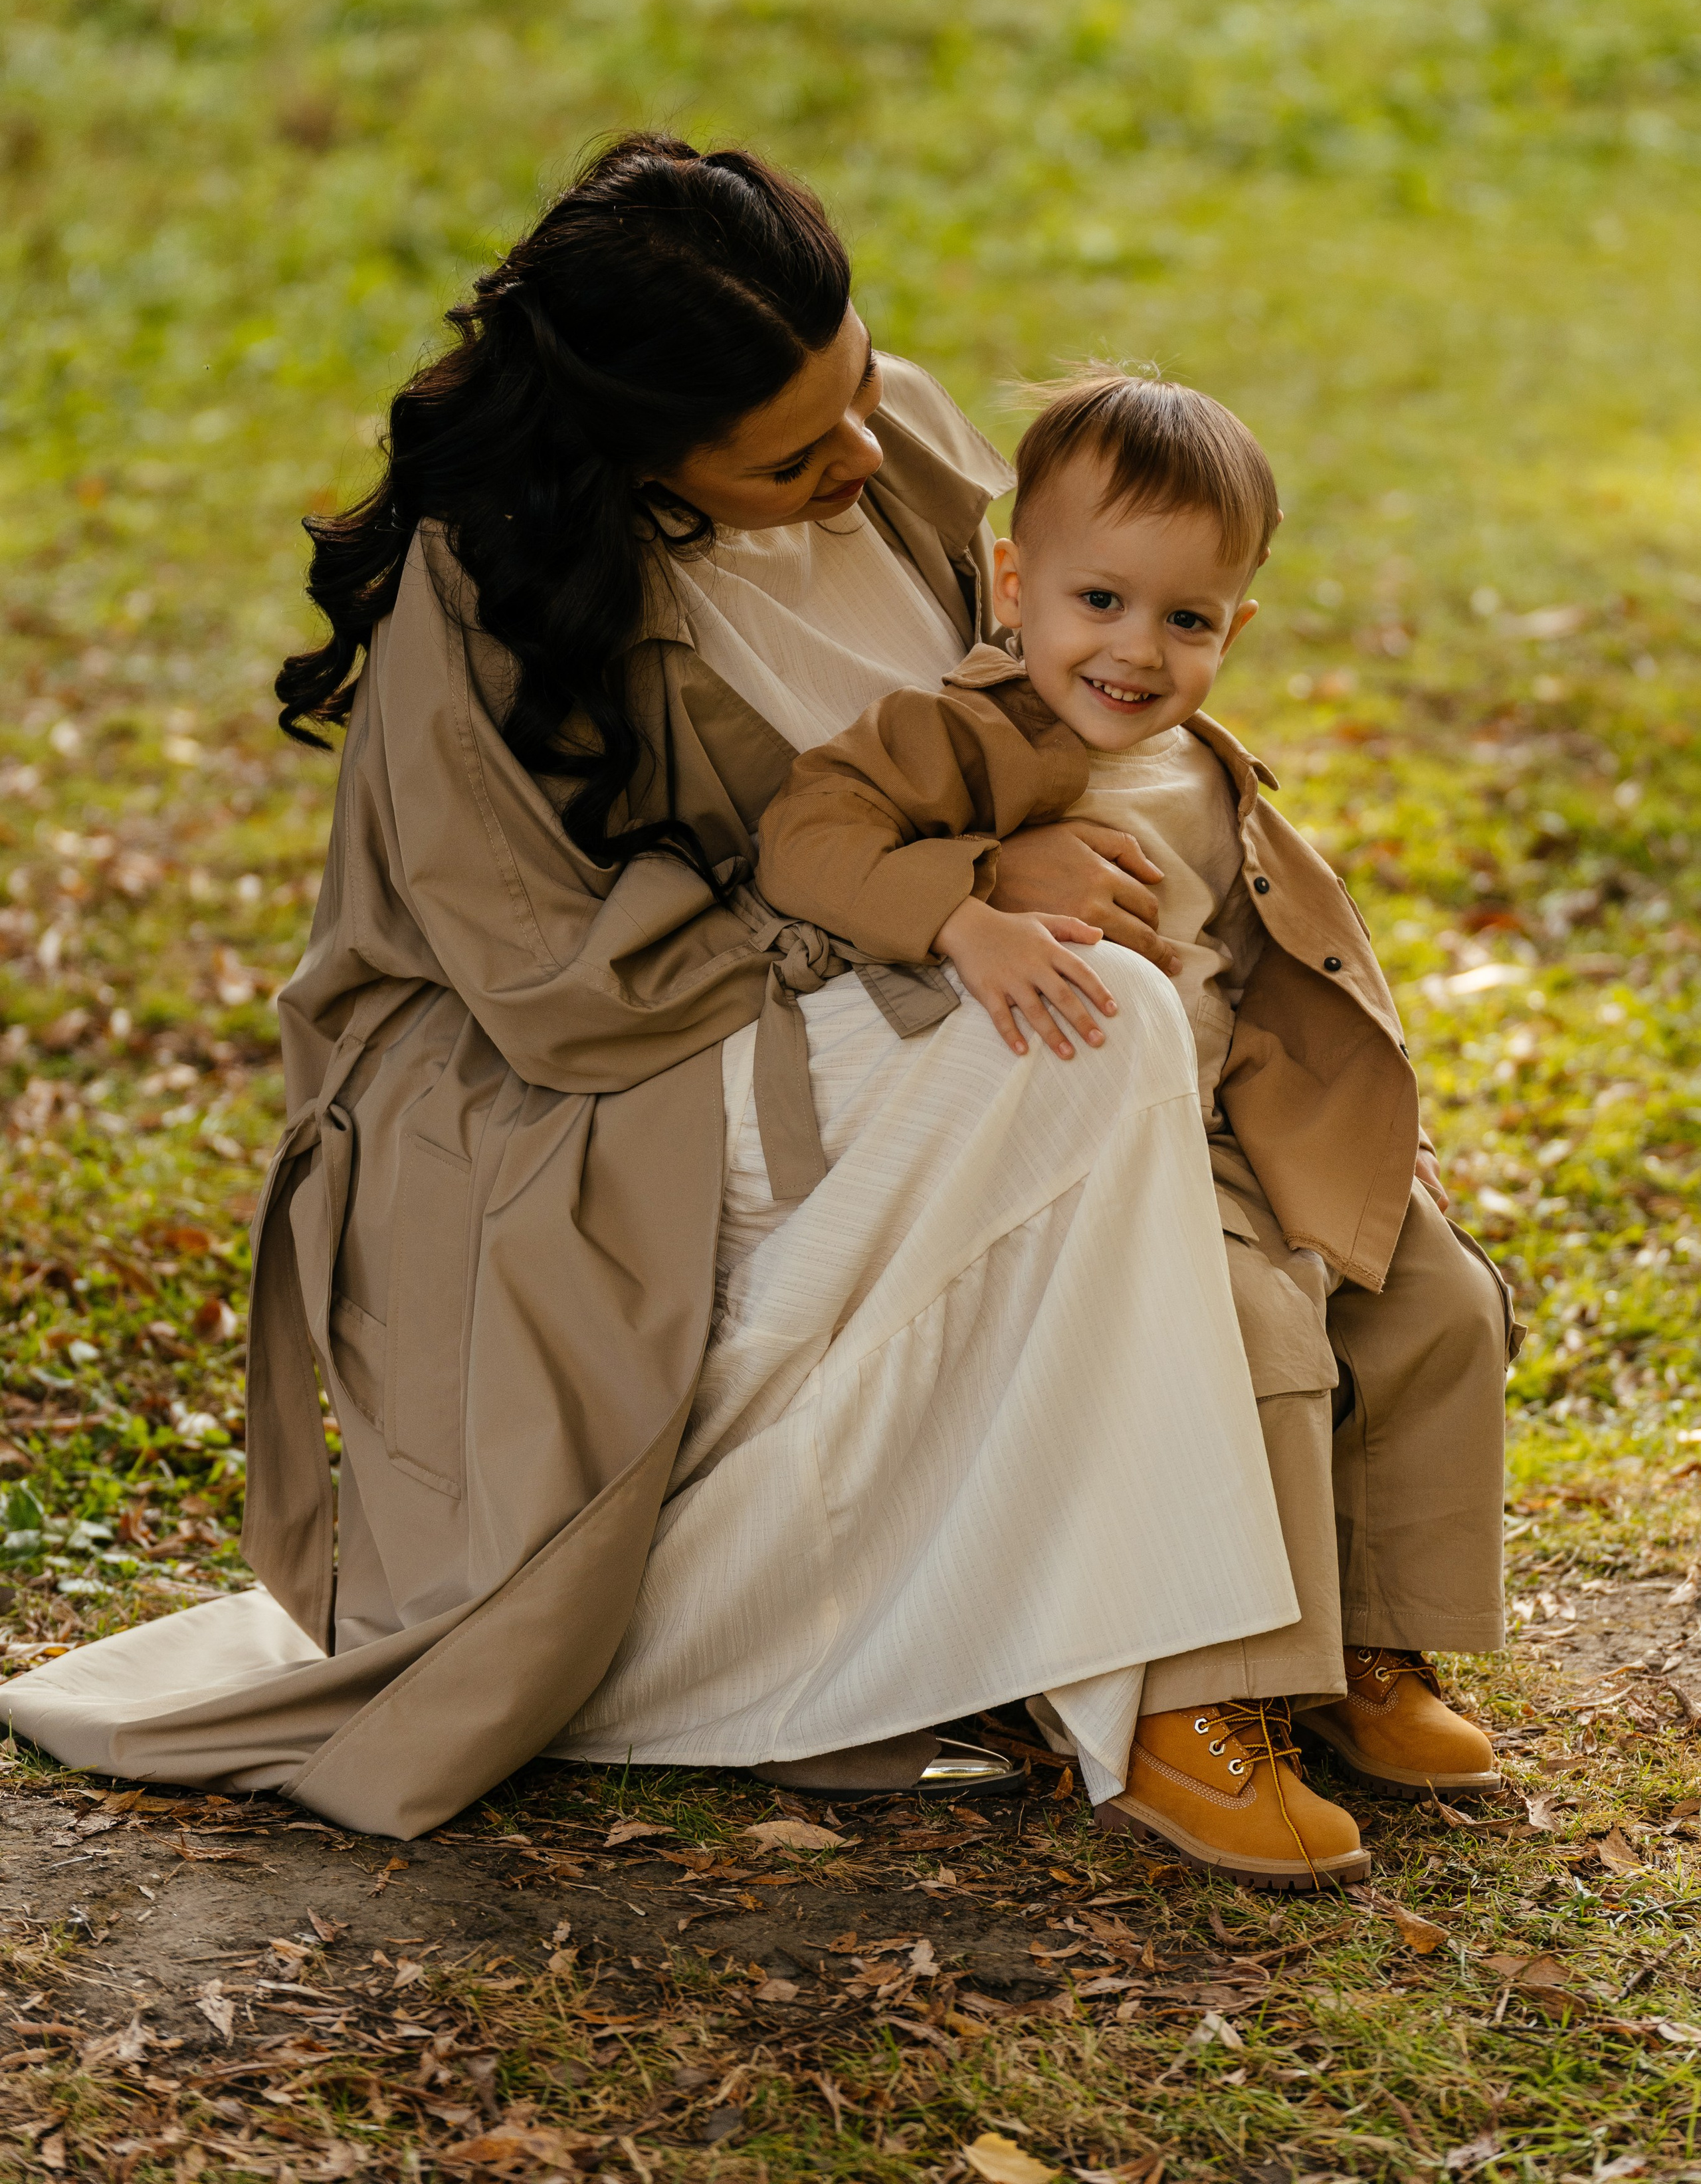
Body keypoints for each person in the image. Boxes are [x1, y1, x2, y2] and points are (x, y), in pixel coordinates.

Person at [5, 135, 1308, 1861]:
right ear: (640, 458)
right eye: (792, 450)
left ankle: (1139, 1630)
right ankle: (1155, 1685)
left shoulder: (890, 437)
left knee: (1134, 1016)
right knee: (1099, 1030)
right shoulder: (489, 606)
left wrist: (1032, 857)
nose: (866, 450)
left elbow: (1020, 702)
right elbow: (555, 983)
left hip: (849, 969)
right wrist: (962, 905)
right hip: (580, 1081)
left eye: (853, 387)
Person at [753, 372, 1521, 1882]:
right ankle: (1200, 1700)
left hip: (1246, 1121)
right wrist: (960, 906)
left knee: (1432, 1301)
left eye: (1184, 620)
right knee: (1258, 1335)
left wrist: (1381, 1129)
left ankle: (1370, 1645)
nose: (1133, 649)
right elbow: (805, 836)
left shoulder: (1207, 765)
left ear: (1232, 629)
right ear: (1013, 583)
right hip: (1116, 1144)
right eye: (1097, 599)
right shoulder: (956, 731)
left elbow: (1293, 960)